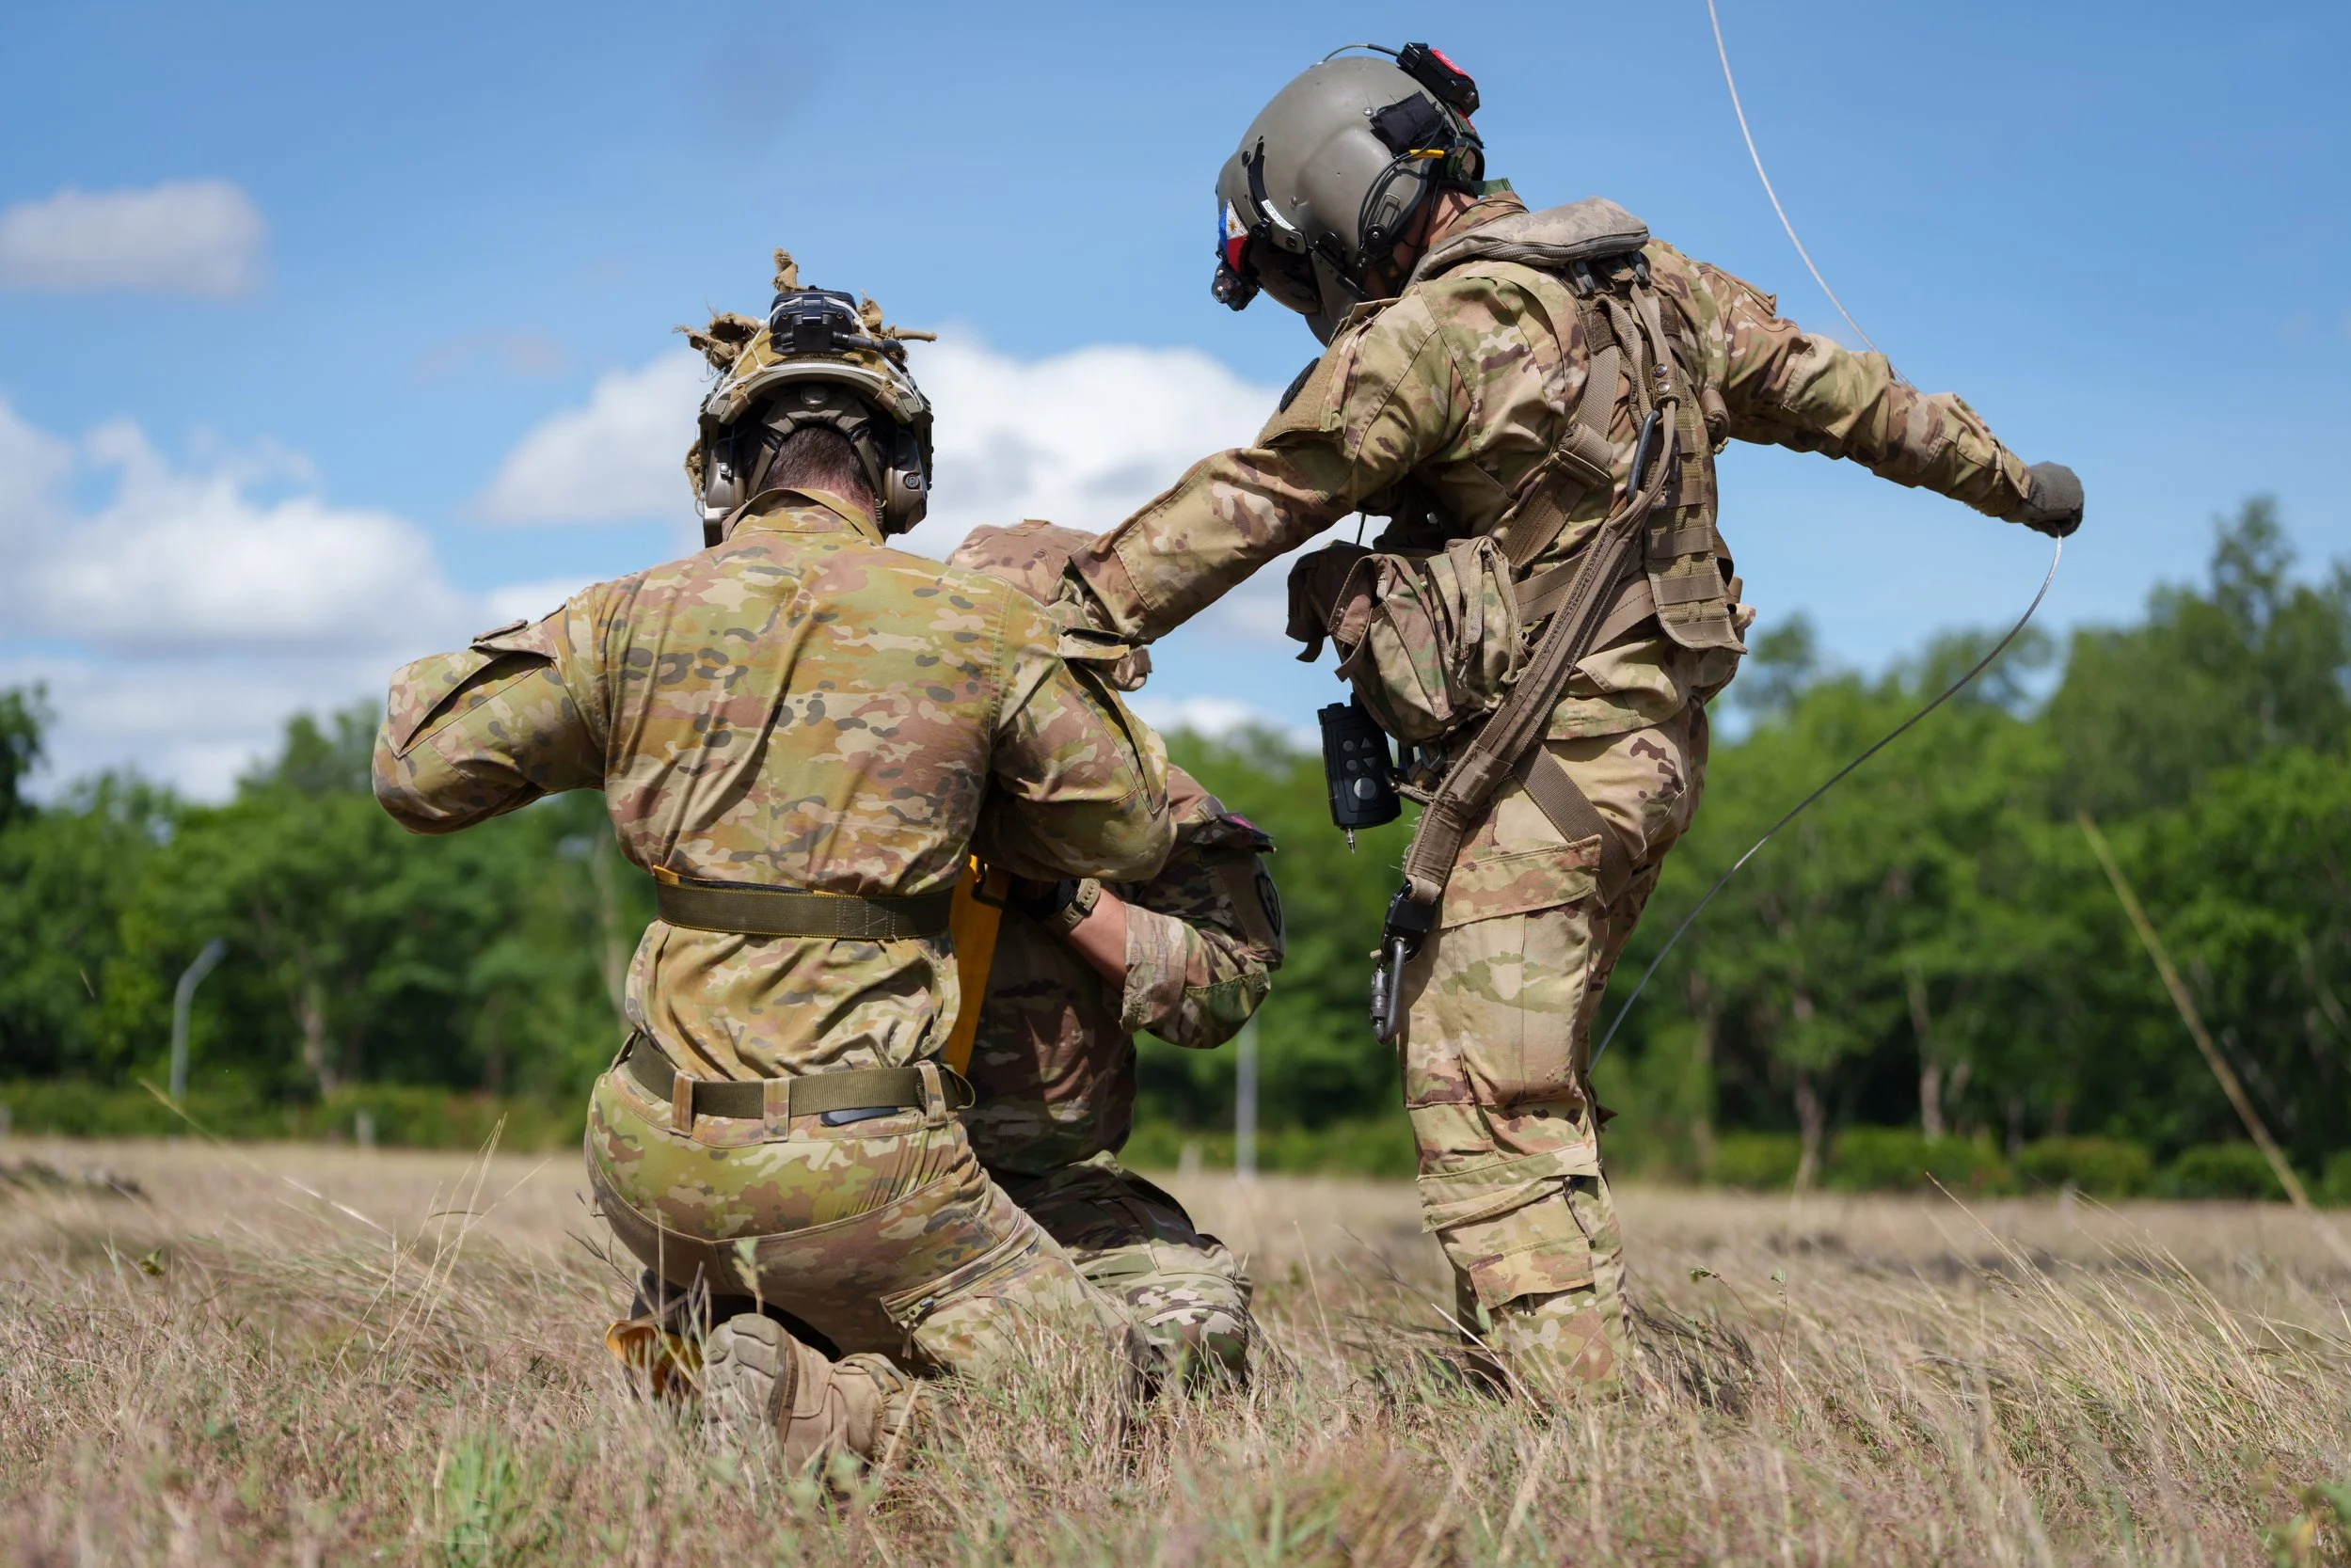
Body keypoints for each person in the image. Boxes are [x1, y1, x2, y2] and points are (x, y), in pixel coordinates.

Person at [1054, 46, 2085, 1395]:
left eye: (1307, 270)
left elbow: (1251, 498)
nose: (1324, 302)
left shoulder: (1434, 335)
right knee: (1521, 1081)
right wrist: (2015, 484)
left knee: (1483, 1100)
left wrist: (1068, 620)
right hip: (1651, 758)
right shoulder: (1664, 296)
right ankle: (1535, 1384)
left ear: (1344, 201)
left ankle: (1592, 1435)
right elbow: (1864, 404)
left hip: (1552, 765)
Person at [373, 254, 1173, 1468]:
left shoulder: (627, 614)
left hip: (647, 1168)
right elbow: (1130, 831)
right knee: (1089, 1388)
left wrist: (605, 671)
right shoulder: (981, 626)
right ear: (901, 473)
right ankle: (832, 1409)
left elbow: (418, 770)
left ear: (723, 467)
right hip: (858, 1168)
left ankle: (733, 1351)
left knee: (803, 1266)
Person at [945, 519, 1281, 1382]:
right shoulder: (872, 781)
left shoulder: (1149, 807)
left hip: (1046, 1188)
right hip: (865, 1171)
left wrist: (1063, 894)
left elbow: (1225, 989)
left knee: (1192, 1333)